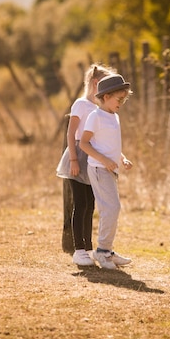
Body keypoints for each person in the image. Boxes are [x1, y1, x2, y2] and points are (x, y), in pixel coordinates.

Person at [57, 64, 115, 266]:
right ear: (95, 83)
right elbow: (71, 133)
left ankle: (89, 248)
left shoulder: (100, 108)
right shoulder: (81, 104)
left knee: (90, 205)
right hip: (78, 156)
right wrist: (73, 159)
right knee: (80, 204)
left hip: (92, 157)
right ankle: (78, 249)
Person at [79, 74, 134, 269]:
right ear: (105, 97)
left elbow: (111, 145)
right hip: (99, 168)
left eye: (124, 99)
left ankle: (107, 250)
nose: (122, 103)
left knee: (112, 208)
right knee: (111, 208)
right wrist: (104, 161)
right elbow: (84, 143)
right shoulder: (96, 116)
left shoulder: (114, 117)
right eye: (119, 99)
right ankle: (102, 252)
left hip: (110, 170)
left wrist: (122, 159)